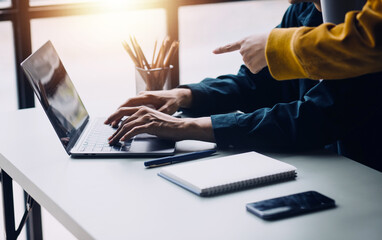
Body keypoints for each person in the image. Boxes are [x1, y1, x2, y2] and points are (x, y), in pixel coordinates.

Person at [105, 1, 382, 171]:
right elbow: (254, 84)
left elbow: (316, 118)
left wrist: (185, 128)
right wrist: (185, 95)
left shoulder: (358, 37)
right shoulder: (301, 11)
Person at [214, 0, 382, 80]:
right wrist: (192, 94)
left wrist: (278, 47)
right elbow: (257, 84)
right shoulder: (299, 11)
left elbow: (372, 41)